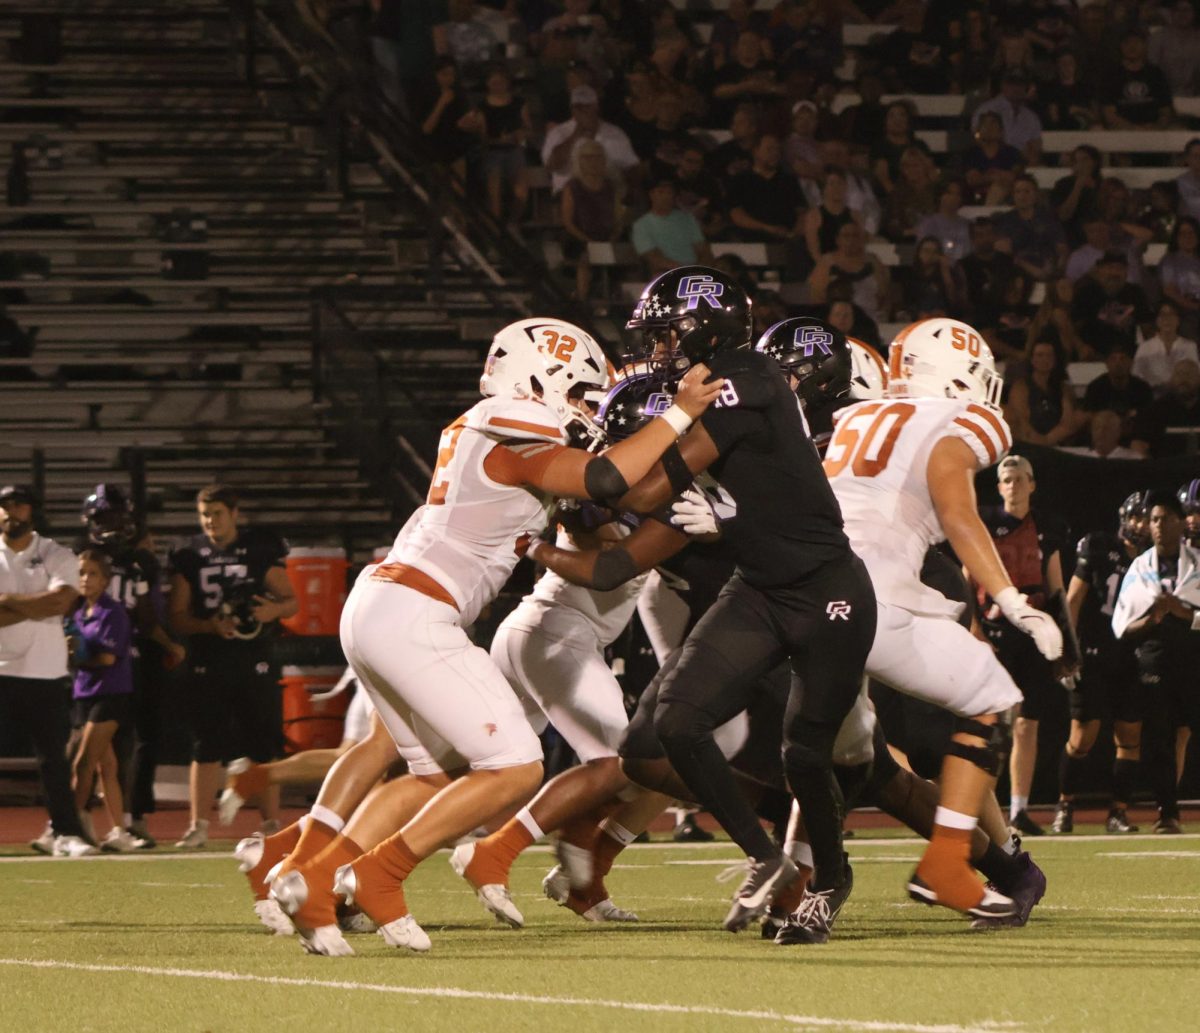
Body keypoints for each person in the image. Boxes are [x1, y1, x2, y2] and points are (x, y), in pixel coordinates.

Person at [267, 317, 722, 955]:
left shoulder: (495, 424)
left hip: (386, 602)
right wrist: (677, 417)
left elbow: (600, 491)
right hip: (414, 611)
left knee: (429, 776)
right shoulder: (512, 419)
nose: (584, 410)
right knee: (514, 767)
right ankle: (377, 876)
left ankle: (315, 883)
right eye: (579, 394)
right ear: (542, 378)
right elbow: (604, 479)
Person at [531, 276, 879, 940]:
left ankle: (829, 880)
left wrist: (592, 461)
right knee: (678, 721)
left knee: (806, 754)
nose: (659, 348)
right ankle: (765, 855)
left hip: (829, 589)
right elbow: (646, 491)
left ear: (702, 328)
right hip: (760, 588)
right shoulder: (723, 389)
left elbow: (638, 488)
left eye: (666, 331)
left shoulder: (746, 375)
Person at [825, 317, 1061, 922]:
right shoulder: (964, 419)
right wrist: (1012, 600)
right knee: (989, 694)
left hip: (800, 590)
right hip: (874, 594)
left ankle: (799, 879)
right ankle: (948, 861)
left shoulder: (850, 418)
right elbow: (957, 508)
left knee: (832, 745)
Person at [168, 484, 298, 848]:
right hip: (209, 656)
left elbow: (290, 601)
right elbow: (178, 615)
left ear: (234, 513)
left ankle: (272, 823)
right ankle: (198, 825)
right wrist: (210, 625)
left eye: (217, 513)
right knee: (206, 743)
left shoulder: (259, 548)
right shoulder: (188, 554)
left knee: (262, 741)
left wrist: (270, 610)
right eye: (205, 515)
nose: (211, 521)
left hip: (253, 654)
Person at [77, 484, 183, 848]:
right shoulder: (82, 559)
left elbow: (148, 615)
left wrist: (167, 644)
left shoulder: (141, 563)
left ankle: (128, 819)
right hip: (96, 662)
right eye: (104, 517)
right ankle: (79, 822)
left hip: (134, 657)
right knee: (94, 749)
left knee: (138, 741)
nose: (112, 525)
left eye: (116, 517)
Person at [975, 455, 1070, 839]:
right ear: (999, 487)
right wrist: (975, 631)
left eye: (1020, 479)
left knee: (1028, 724)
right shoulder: (983, 521)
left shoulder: (1048, 527)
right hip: (995, 630)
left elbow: (1056, 586)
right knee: (990, 724)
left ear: (1032, 484)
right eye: (1006, 479)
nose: (1013, 485)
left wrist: (1065, 643)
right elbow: (969, 576)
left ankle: (1019, 810)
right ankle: (983, 808)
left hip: (1033, 632)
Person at [0, 484, 91, 857]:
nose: (9, 514)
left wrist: (7, 600)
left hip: (46, 672)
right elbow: (48, 604)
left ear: (32, 512)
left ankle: (65, 832)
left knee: (53, 758)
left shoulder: (56, 553)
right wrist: (36, 605)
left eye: (17, 506)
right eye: (3, 507)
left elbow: (63, 601)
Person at [1053, 492, 1150, 835]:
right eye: (1136, 516)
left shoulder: (1155, 560)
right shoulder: (1098, 546)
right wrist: (1068, 649)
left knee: (1129, 736)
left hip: (1130, 656)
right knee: (1083, 736)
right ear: (1124, 516)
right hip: (1092, 652)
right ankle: (1065, 805)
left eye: (1146, 518)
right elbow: (1074, 599)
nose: (1140, 524)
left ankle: (1118, 812)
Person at [1113, 492, 1200, 834]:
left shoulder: (1196, 564)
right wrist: (1153, 618)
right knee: (1161, 739)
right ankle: (1168, 813)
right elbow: (1121, 626)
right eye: (1154, 520)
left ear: (1181, 524)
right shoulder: (1139, 569)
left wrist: (1185, 613)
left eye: (1165, 519)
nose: (1159, 526)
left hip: (1194, 658)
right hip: (1155, 663)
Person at [65, 550, 138, 852]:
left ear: (106, 580)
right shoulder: (80, 614)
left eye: (92, 573)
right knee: (104, 766)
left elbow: (106, 658)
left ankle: (68, 827)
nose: (85, 579)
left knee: (82, 761)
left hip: (110, 694)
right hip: (85, 693)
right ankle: (120, 831)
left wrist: (77, 654)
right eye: (81, 573)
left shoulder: (113, 612)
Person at [542, 85, 639, 195]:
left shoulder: (615, 133)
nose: (583, 111)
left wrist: (631, 192)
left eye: (587, 106)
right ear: (571, 109)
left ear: (596, 107)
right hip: (568, 197)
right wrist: (576, 135)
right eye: (578, 107)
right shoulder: (558, 133)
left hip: (607, 197)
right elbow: (552, 166)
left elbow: (631, 167)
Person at [560, 140, 624, 305]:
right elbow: (568, 221)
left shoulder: (611, 186)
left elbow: (618, 218)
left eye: (597, 157)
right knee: (585, 258)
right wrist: (587, 240)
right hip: (579, 238)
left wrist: (613, 236)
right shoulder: (572, 187)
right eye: (588, 157)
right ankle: (582, 299)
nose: (593, 161)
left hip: (608, 237)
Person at [1071, 251, 1155, 357]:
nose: (1115, 273)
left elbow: (1147, 327)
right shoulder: (1086, 293)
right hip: (1094, 356)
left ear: (1126, 272)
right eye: (1110, 267)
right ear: (1100, 270)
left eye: (1120, 268)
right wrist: (1080, 347)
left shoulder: (1135, 292)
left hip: (1127, 357)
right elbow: (1072, 327)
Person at [1004, 338, 1082, 447]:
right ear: (1032, 359)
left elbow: (1068, 422)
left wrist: (1048, 440)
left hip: (1057, 444)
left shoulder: (1063, 388)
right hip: (1028, 443)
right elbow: (1021, 422)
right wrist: (1039, 442)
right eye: (1040, 355)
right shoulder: (1021, 387)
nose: (1045, 359)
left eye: (1049, 355)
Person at [1081, 343, 1156, 455]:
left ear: (1131, 363)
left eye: (1122, 359)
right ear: (1106, 363)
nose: (1118, 363)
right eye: (1113, 359)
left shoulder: (1142, 388)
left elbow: (1146, 419)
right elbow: (1090, 418)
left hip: (1131, 436)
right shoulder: (1095, 387)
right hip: (1104, 435)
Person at [809, 221, 889, 324]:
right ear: (838, 240)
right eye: (846, 236)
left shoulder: (873, 261)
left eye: (855, 236)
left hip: (870, 319)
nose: (851, 240)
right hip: (836, 322)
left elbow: (884, 295)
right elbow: (817, 298)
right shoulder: (826, 263)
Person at [631, 174, 713, 275]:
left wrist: (700, 268)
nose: (665, 196)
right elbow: (653, 257)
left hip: (694, 272)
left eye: (669, 193)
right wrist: (682, 270)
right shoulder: (641, 225)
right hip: (665, 274)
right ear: (651, 194)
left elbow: (702, 248)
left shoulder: (687, 219)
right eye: (661, 192)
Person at [994, 174, 1067, 283]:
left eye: (1027, 191)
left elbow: (1062, 249)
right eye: (1017, 192)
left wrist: (1058, 269)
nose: (1022, 196)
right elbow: (1006, 252)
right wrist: (1030, 268)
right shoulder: (1005, 220)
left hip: (1048, 269)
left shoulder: (1049, 219)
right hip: (1018, 272)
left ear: (1036, 194)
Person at [1101, 28, 1174, 129]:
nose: (1132, 47)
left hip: (1154, 132)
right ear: (1120, 46)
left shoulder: (1156, 74)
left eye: (1136, 42)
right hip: (1120, 134)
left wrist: (1155, 128)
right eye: (1127, 43)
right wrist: (1134, 129)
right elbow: (1109, 114)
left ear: (1145, 45)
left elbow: (1165, 110)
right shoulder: (1111, 75)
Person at [971, 69, 1043, 165]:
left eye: (1020, 84)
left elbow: (1036, 147)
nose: (1016, 88)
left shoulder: (1031, 117)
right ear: (1003, 85)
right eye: (1011, 84)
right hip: (990, 162)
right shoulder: (987, 109)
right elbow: (977, 137)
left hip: (1020, 165)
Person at [1134, 300, 1199, 395]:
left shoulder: (1189, 346)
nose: (1167, 319)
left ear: (1178, 320)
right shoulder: (1145, 347)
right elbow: (1136, 375)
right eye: (1162, 315)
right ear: (1157, 321)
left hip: (1182, 395)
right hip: (1153, 395)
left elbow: (1195, 375)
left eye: (1171, 314)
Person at [894, 236, 964, 322]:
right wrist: (918, 313)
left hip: (942, 317)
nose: (930, 255)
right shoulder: (910, 275)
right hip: (917, 317)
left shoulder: (947, 274)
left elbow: (954, 301)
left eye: (934, 252)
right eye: (926, 251)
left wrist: (945, 272)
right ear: (919, 253)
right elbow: (906, 301)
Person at [961, 111, 1023, 206]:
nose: (989, 127)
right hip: (976, 197)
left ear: (1001, 130)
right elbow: (973, 180)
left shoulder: (1012, 153)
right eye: (985, 124)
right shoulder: (970, 153)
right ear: (979, 130)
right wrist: (997, 175)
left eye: (993, 123)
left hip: (1007, 197)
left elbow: (1013, 177)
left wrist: (987, 176)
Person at [803, 167, 861, 263]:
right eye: (832, 184)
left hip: (851, 266)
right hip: (823, 268)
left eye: (840, 183)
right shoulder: (814, 216)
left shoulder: (855, 215)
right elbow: (814, 252)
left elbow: (860, 246)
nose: (837, 188)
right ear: (823, 188)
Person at [1159, 215, 1200, 339]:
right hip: (1184, 310)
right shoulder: (1170, 260)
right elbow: (1169, 291)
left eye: (1191, 233)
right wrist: (1194, 306)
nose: (1188, 237)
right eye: (1183, 234)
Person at [914, 180, 971, 264]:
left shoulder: (967, 224)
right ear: (940, 196)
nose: (954, 197)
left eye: (958, 194)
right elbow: (923, 254)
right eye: (949, 193)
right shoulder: (928, 223)